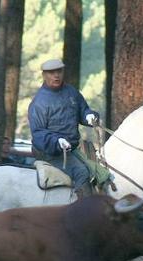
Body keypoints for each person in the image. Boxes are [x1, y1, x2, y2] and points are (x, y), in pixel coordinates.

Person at [27, 58, 100, 199]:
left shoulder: (72, 92)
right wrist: (57, 141)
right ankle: (85, 213)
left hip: (72, 149)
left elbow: (83, 111)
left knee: (100, 168)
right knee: (82, 172)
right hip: (49, 152)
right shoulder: (39, 102)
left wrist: (90, 116)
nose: (56, 75)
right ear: (44, 75)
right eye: (51, 72)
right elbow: (38, 134)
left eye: (59, 71)